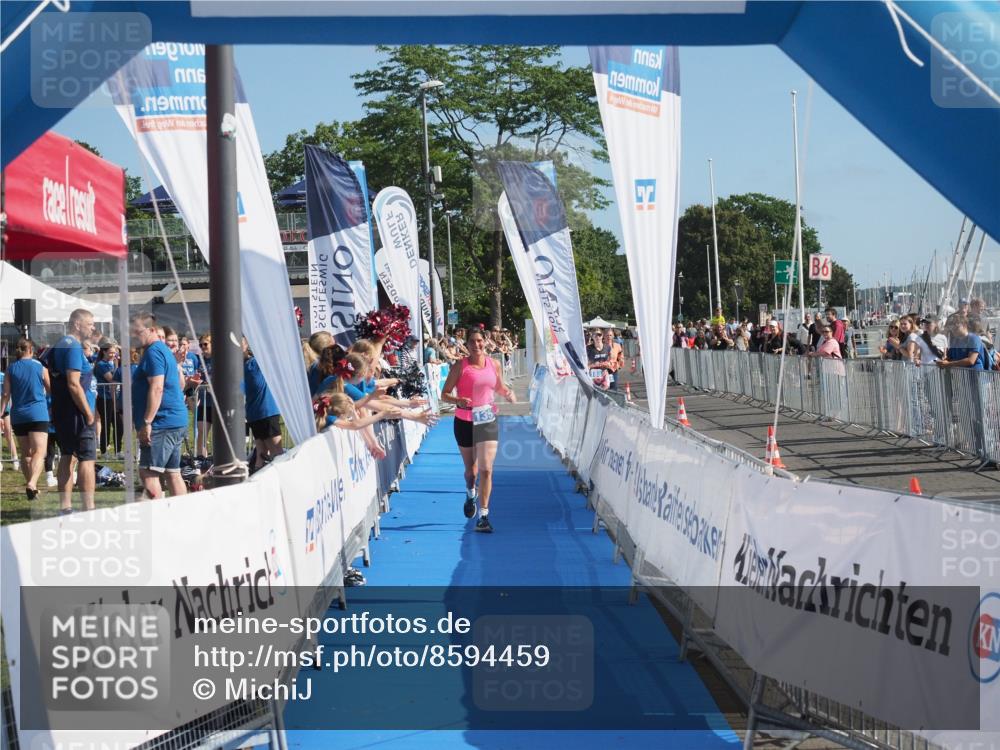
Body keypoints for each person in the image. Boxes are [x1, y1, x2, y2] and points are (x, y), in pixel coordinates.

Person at [439, 328, 517, 533]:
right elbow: (444, 394)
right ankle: (470, 492)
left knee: (486, 469)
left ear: (486, 342)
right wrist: (458, 400)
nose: (476, 345)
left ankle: (483, 516)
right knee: (471, 472)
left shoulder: (494, 364)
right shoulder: (460, 366)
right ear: (466, 344)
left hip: (487, 419)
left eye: (480, 340)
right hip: (464, 420)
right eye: (472, 341)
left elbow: (499, 386)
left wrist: (508, 393)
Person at [130, 312, 189, 498]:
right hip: (174, 420)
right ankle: (182, 512)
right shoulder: (162, 350)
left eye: (138, 331)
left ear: (152, 330)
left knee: (148, 473)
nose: (134, 336)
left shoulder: (154, 352)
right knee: (172, 473)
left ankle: (155, 513)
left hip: (162, 422)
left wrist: (147, 422)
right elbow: (177, 384)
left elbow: (157, 388)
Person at [49, 308, 99, 514]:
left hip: (65, 411)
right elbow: (73, 383)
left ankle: (65, 508)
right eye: (90, 324)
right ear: (77, 324)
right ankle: (89, 508)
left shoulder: (60, 345)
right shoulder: (73, 347)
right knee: (87, 459)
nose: (93, 328)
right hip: (78, 414)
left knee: (68, 455)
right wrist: (88, 413)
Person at [1, 338, 51, 499]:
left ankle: (32, 488)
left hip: (18, 415)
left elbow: (6, 394)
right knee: (39, 451)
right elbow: (50, 389)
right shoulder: (40, 367)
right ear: (31, 350)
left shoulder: (10, 368)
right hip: (38, 413)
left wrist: (1, 413)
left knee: (26, 453)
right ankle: (32, 483)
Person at [243, 338, 284, 471]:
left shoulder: (252, 363)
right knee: (273, 453)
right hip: (262, 413)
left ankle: (258, 476)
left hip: (260, 413)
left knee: (264, 452)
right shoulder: (249, 365)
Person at [94, 340, 121, 457]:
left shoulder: (112, 363)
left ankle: (118, 451)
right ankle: (104, 450)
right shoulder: (101, 365)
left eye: (114, 353)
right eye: (110, 352)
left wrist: (116, 364)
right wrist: (117, 368)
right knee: (106, 425)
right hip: (104, 398)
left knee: (119, 424)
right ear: (104, 352)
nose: (113, 355)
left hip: (114, 397)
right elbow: (111, 379)